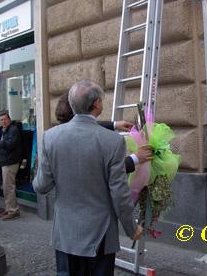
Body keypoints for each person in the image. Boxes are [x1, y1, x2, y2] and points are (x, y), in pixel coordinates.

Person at [33, 79, 142, 275]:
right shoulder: (112, 141)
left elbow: (41, 186)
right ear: (97, 104)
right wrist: (131, 228)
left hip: (66, 233)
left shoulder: (50, 137)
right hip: (100, 233)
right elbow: (119, 193)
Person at [54, 90, 153, 173]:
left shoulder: (55, 137)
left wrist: (114, 125)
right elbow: (104, 171)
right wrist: (135, 158)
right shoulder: (89, 141)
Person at [0, 111, 21, 221]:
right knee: (6, 186)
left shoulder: (13, 130)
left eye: (5, 119)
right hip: (5, 161)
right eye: (1, 120)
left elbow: (10, 145)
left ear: (9, 119)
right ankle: (9, 208)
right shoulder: (2, 130)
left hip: (11, 162)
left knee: (8, 187)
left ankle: (13, 210)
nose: (3, 122)